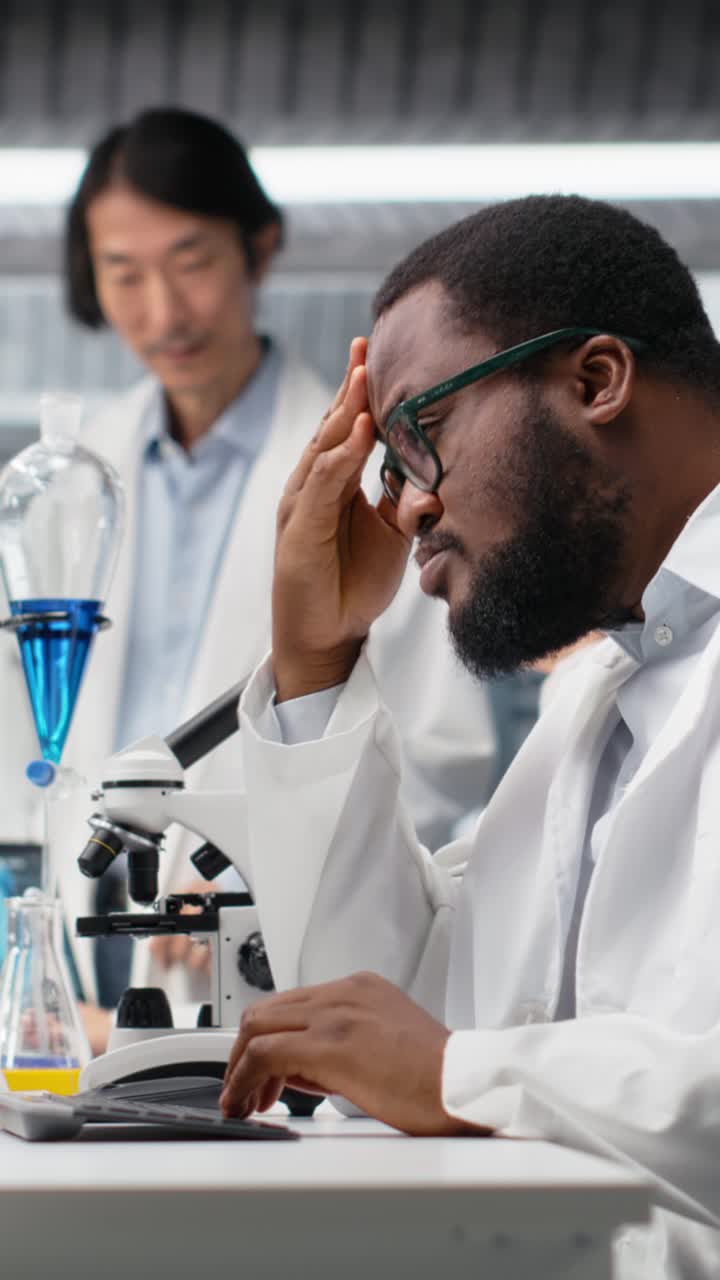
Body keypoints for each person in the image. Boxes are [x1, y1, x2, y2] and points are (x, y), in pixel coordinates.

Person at [222, 195, 720, 1279]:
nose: (406, 509)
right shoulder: (600, 692)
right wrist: (316, 658)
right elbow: (387, 1028)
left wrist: (464, 1074)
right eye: (391, 464)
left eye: (422, 433)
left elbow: (446, 1066)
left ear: (595, 380)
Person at [0, 108, 497, 1051]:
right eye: (124, 273)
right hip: (82, 941)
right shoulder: (64, 483)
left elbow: (443, 745)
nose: (163, 312)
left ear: (258, 248)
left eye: (191, 262)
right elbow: (21, 735)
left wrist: (265, 862)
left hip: (275, 949)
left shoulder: (369, 473)